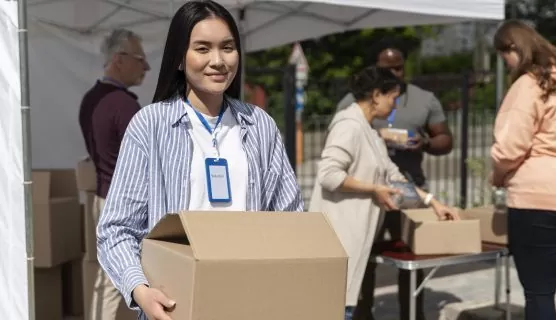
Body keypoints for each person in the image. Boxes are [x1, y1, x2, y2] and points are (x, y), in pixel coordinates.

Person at [96, 1, 304, 319]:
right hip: (176, 302)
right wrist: (140, 290)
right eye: (202, 48)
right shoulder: (150, 125)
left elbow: (291, 218)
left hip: (250, 297)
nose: (217, 61)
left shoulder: (260, 124)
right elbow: (116, 228)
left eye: (228, 48)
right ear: (180, 57)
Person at [309, 65, 459, 320]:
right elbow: (329, 175)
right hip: (339, 238)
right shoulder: (349, 126)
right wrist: (374, 189)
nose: (395, 105)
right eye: (393, 97)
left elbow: (394, 176)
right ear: (376, 95)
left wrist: (431, 201)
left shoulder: (369, 131)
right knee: (337, 308)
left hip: (354, 238)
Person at [491, 19, 556, 320]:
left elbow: (510, 147)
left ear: (513, 48)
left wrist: (497, 175)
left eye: (504, 55)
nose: (506, 63)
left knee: (539, 294)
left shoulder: (529, 85)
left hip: (536, 200)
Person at [78, 28, 150, 320]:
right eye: (140, 59)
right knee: (122, 279)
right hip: (124, 204)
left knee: (108, 278)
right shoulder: (124, 105)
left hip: (103, 198)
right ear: (119, 59)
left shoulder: (90, 100)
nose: (145, 66)